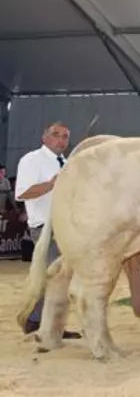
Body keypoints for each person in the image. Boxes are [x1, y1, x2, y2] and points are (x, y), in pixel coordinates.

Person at [14, 122, 81, 339]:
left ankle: (46, 323)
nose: (61, 140)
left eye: (65, 136)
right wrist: (52, 184)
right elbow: (23, 193)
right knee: (57, 278)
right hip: (44, 227)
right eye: (56, 135)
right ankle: (37, 322)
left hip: (67, 226)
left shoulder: (69, 163)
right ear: (45, 137)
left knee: (61, 278)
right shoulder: (31, 160)